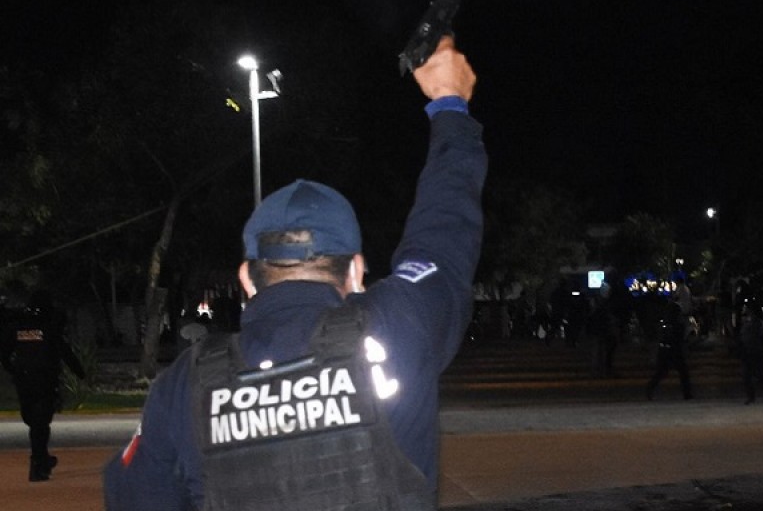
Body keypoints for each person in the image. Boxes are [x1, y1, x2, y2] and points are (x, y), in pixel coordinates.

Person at [103, 36, 486, 511]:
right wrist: (450, 107)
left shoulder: (184, 386)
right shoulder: (399, 327)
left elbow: (133, 496)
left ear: (247, 278)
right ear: (358, 272)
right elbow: (445, 231)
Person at [0, 289, 86, 481]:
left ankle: (41, 460)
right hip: (44, 381)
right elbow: (65, 352)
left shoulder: (18, 327)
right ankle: (39, 462)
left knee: (34, 422)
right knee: (40, 424)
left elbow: (4, 354)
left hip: (24, 381)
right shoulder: (49, 327)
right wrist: (80, 373)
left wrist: (14, 370)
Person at [646, 301, 693, 401]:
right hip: (674, 351)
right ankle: (687, 393)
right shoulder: (676, 324)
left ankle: (650, 389)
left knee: (662, 372)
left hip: (666, 350)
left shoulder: (666, 323)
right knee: (682, 372)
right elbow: (680, 338)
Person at [738, 303, 763, 404]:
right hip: (748, 351)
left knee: (760, 373)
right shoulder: (746, 322)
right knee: (747, 375)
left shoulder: (759, 323)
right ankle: (751, 396)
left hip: (756, 351)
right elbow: (742, 336)